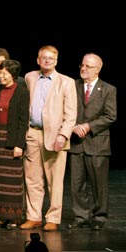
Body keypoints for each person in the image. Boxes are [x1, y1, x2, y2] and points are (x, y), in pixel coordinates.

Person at [19, 45, 77, 232]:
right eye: (43, 57)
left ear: (56, 61)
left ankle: (52, 217)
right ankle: (33, 216)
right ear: (38, 60)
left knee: (55, 180)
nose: (47, 61)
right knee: (32, 179)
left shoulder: (66, 82)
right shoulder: (30, 77)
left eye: (51, 58)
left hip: (55, 136)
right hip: (32, 133)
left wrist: (63, 135)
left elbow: (71, 114)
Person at [67, 53, 117, 230]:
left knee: (98, 185)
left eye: (88, 66)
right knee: (76, 185)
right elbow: (64, 109)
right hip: (76, 143)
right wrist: (72, 126)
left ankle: (99, 217)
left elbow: (110, 116)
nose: (83, 68)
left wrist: (88, 126)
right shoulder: (72, 85)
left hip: (97, 143)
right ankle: (81, 217)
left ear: (98, 69)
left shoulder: (108, 89)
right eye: (82, 65)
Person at [0, 47, 26, 220]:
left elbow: (23, 121)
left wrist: (19, 144)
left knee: (13, 180)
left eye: (4, 73)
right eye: (0, 73)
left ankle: (14, 217)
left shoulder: (22, 90)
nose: (0, 76)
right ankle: (0, 215)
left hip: (11, 138)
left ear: (12, 74)